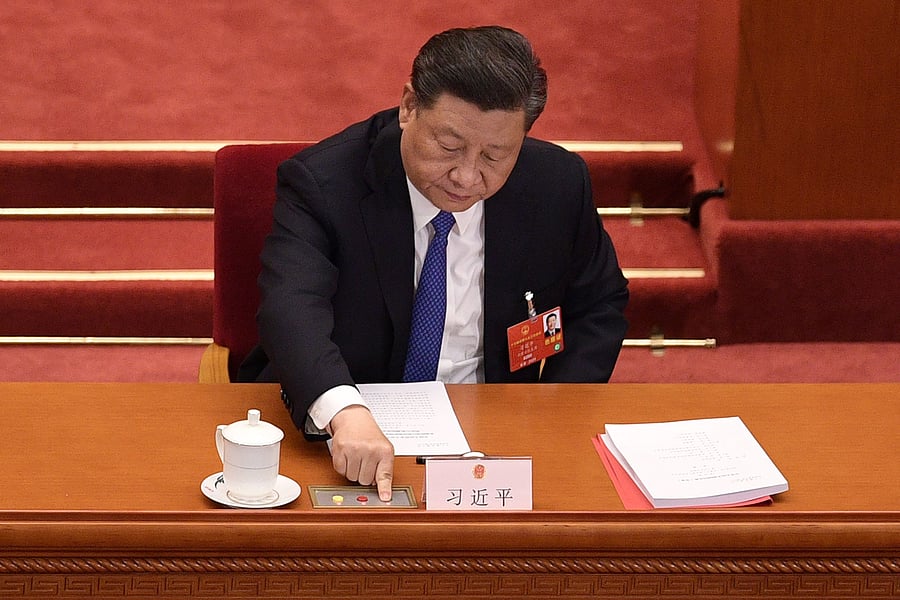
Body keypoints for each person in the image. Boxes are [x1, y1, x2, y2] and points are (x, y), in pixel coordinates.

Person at [239, 25, 629, 501]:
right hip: (352, 425)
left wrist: (552, 410)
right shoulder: (323, 184)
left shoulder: (557, 185)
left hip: (495, 429)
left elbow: (600, 303)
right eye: (449, 147)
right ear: (408, 106)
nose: (467, 177)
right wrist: (344, 410)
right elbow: (289, 308)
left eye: (494, 155)